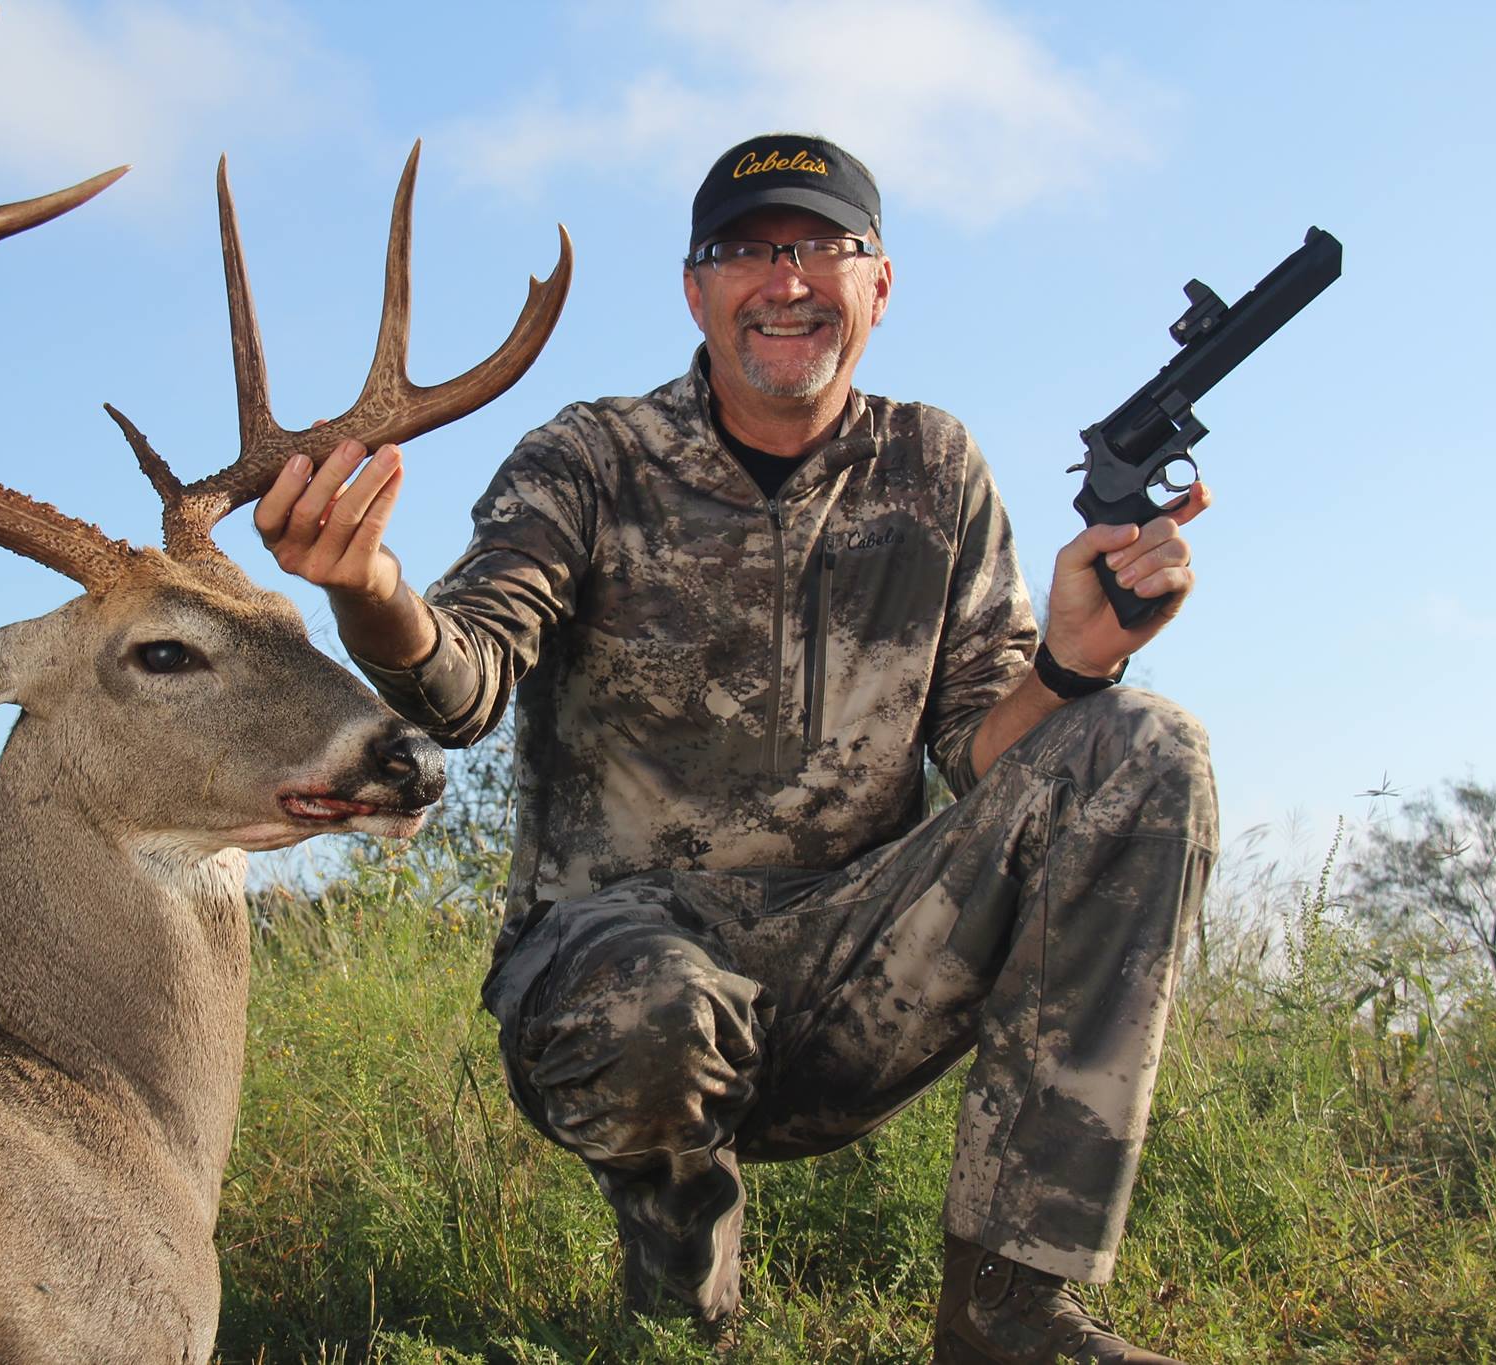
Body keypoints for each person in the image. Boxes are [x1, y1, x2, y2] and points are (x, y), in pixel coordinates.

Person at [255, 133, 1217, 1364]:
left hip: (856, 970)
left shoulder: (934, 467)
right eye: (748, 251)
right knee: (652, 1007)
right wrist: (371, 592)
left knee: (1142, 741)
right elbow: (464, 684)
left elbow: (983, 756)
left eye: (823, 247)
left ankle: (1010, 1312)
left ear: (878, 284)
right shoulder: (591, 457)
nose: (786, 280)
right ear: (695, 289)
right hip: (615, 979)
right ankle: (676, 1312)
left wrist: (1073, 664)